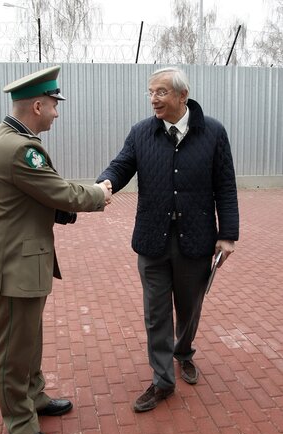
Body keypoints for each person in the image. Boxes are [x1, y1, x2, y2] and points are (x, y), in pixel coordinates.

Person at [0, 65, 112, 434]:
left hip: (18, 261)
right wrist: (99, 193)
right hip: (12, 267)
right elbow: (60, 192)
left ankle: (33, 396)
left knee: (28, 338)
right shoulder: (21, 148)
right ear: (37, 105)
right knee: (12, 350)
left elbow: (29, 198)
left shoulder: (7, 137)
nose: (56, 112)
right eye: (53, 105)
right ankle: (20, 422)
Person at [96, 67, 239, 412]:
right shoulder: (142, 133)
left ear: (181, 96)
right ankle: (162, 380)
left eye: (161, 92)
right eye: (150, 92)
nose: (154, 99)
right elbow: (121, 165)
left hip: (197, 239)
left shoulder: (213, 133)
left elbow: (226, 186)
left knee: (189, 307)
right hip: (152, 239)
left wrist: (228, 235)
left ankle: (184, 351)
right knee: (156, 313)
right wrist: (104, 184)